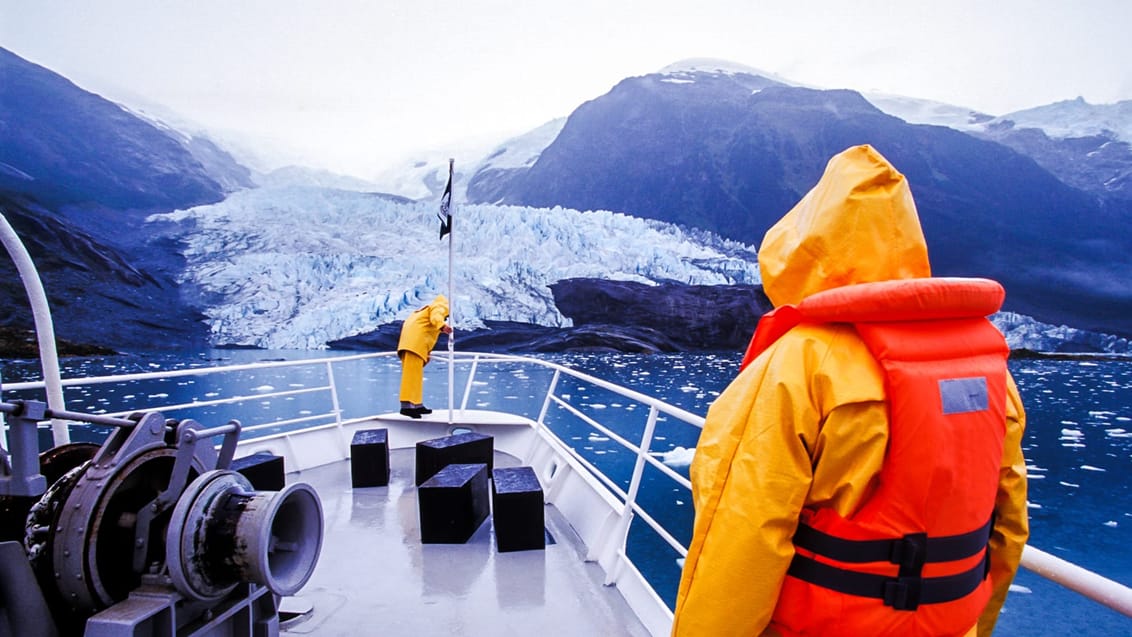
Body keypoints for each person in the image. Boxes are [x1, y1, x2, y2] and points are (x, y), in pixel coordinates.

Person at [671, 145, 1028, 637]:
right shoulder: (989, 369)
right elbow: (1007, 527)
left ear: (807, 242)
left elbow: (739, 537)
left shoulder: (799, 365)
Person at [396, 294, 452, 418]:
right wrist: (442, 326)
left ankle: (417, 405)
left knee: (415, 376)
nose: (446, 316)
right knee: (411, 377)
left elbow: (424, 330)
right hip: (414, 345)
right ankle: (406, 407)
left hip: (412, 344)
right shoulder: (440, 306)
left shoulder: (424, 310)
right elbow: (436, 317)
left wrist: (426, 351)